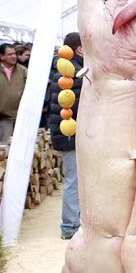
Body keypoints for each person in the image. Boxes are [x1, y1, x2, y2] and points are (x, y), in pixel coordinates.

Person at [48, 32, 83, 240]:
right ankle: (69, 226)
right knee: (73, 179)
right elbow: (78, 105)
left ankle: (74, 222)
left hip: (67, 132)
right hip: (69, 134)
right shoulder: (72, 73)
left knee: (75, 179)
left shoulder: (65, 69)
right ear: (79, 48)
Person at [0, 43, 27, 142]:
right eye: (10, 54)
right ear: (2, 56)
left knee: (21, 143)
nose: (14, 56)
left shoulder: (23, 71)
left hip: (20, 115)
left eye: (14, 54)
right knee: (5, 145)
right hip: (3, 116)